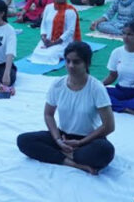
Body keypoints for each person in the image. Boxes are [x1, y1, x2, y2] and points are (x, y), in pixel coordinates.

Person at [17, 42, 115, 175]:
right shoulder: (58, 84)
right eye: (68, 61)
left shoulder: (96, 88)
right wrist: (57, 140)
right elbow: (48, 114)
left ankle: (63, 155)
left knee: (105, 151)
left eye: (76, 62)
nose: (70, 66)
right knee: (24, 140)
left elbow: (109, 126)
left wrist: (80, 142)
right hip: (62, 137)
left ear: (87, 64)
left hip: (88, 140)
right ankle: (72, 162)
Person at [30, 0, 81, 65]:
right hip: (48, 39)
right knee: (36, 53)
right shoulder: (48, 7)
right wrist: (44, 38)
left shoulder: (70, 11)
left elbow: (70, 31)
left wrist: (55, 43)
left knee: (50, 55)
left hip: (64, 41)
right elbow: (43, 24)